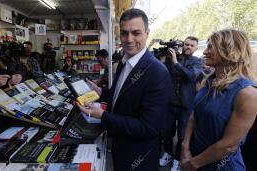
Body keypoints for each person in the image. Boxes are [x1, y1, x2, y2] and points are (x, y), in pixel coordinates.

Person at [78, 8, 172, 171]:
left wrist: (103, 115)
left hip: (138, 155)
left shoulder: (157, 73)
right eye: (124, 33)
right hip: (120, 147)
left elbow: (148, 128)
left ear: (147, 33)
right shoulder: (124, 61)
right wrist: (101, 92)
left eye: (136, 33)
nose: (129, 39)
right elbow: (120, 95)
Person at [180, 29, 257, 171]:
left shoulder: (248, 93)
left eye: (211, 47)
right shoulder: (209, 80)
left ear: (229, 50)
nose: (204, 52)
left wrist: (193, 164)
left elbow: (229, 145)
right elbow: (194, 114)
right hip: (193, 159)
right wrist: (185, 148)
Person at [159, 36, 202, 171]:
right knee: (166, 132)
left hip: (186, 105)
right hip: (170, 104)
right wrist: (164, 59)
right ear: (183, 45)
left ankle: (177, 160)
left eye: (192, 45)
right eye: (186, 44)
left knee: (182, 135)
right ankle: (168, 153)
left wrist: (176, 63)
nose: (188, 47)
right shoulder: (172, 57)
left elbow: (191, 76)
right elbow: (162, 73)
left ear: (195, 48)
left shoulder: (197, 62)